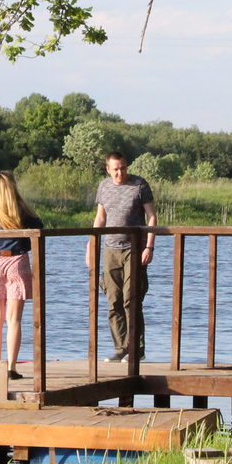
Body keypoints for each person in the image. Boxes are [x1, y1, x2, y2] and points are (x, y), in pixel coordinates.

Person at [86, 151, 156, 362]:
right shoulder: (104, 187)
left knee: (131, 299)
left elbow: (152, 217)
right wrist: (90, 245)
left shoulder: (139, 185)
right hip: (110, 249)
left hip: (133, 248)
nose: (120, 173)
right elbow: (100, 217)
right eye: (115, 169)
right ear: (108, 169)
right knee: (112, 300)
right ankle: (121, 348)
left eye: (123, 168)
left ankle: (136, 348)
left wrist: (149, 247)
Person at [0, 171, 45, 377]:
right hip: (17, 260)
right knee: (14, 319)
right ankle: (11, 367)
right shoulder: (23, 212)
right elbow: (39, 229)